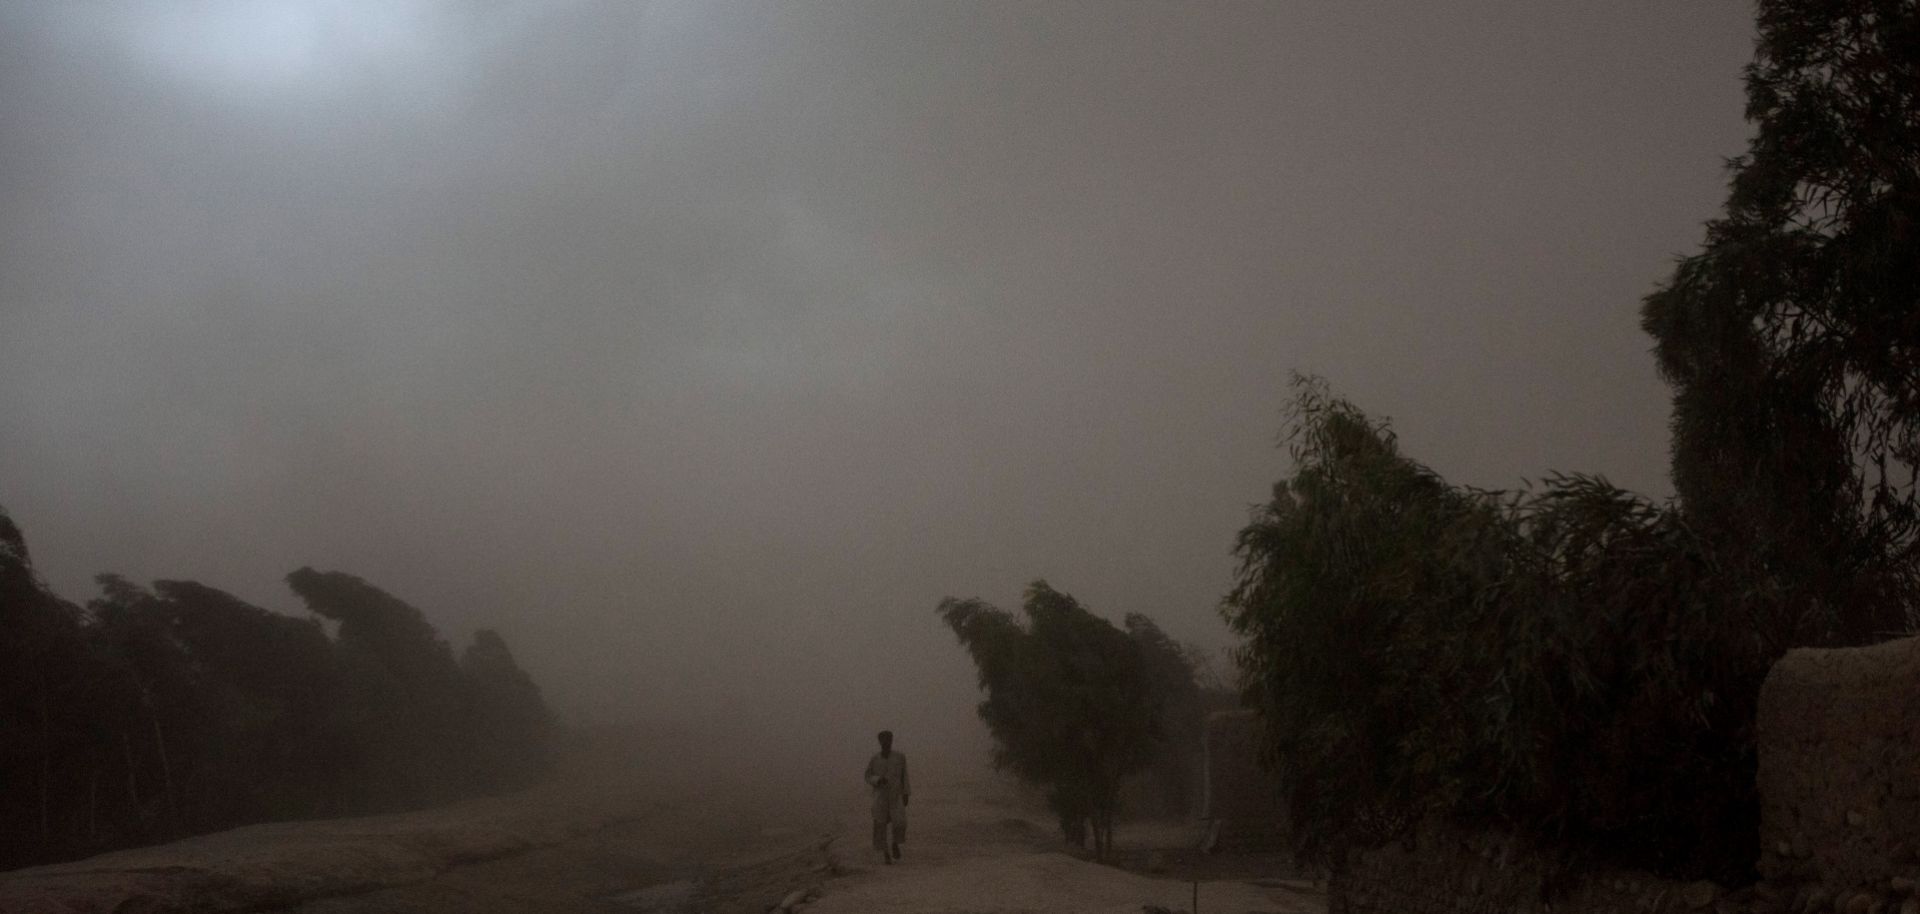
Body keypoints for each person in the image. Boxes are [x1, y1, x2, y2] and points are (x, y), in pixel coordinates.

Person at [864, 730, 910, 863]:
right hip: (880, 796)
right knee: (880, 824)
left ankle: (895, 843)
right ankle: (885, 853)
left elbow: (904, 776)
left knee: (900, 822)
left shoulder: (900, 757)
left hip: (896, 795)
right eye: (883, 741)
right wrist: (878, 780)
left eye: (888, 740)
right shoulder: (875, 759)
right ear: (880, 742)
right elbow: (867, 776)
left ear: (891, 741)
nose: (886, 743)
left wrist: (906, 793)